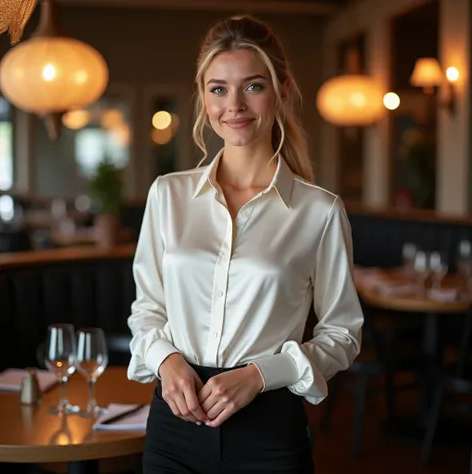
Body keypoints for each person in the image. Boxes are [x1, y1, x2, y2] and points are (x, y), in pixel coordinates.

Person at [127, 14, 363, 474]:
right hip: (174, 423)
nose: (233, 105)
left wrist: (260, 375)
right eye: (218, 89)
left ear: (282, 90)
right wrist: (166, 361)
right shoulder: (167, 195)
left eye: (252, 86)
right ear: (204, 97)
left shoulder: (320, 212)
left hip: (269, 429)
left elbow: (343, 334)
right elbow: (147, 308)